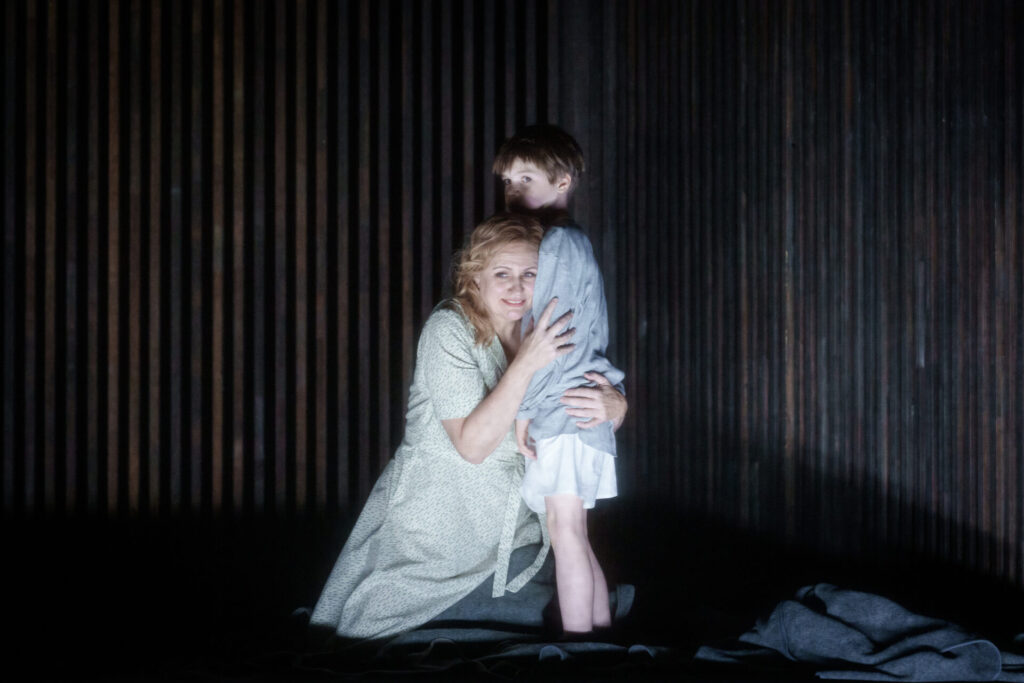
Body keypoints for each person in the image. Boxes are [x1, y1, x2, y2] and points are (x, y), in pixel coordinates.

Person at [310, 213, 580, 641]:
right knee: (383, 629)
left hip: (516, 526)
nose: (516, 288)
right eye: (502, 274)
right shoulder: (449, 328)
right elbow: (472, 446)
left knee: (570, 594)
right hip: (440, 525)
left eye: (529, 274)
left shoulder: (541, 327)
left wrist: (614, 403)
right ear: (475, 278)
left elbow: (590, 387)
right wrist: (528, 361)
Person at [493, 124, 625, 635]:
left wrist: (525, 412)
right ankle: (599, 638)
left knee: (565, 531)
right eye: (507, 180)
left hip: (564, 407)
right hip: (574, 406)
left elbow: (552, 342)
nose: (513, 190)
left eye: (526, 178)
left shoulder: (558, 244)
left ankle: (579, 647)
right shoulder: (565, 242)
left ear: (563, 181)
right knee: (574, 532)